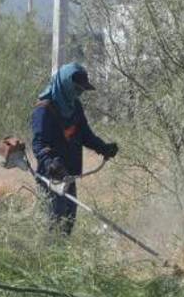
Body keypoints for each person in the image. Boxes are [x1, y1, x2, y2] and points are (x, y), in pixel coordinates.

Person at [31, 62, 118, 234]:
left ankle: (62, 260)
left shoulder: (75, 107)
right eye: (77, 89)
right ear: (66, 84)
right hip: (51, 179)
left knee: (67, 226)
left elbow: (85, 135)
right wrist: (50, 163)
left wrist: (103, 148)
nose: (79, 94)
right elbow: (38, 144)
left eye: (81, 91)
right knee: (52, 227)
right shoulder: (43, 109)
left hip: (69, 176)